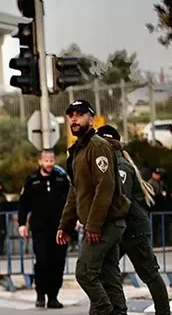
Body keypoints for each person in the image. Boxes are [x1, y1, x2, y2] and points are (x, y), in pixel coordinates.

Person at [56, 100, 130, 315]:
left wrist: (94, 225)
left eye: (80, 114)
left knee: (85, 272)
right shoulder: (78, 151)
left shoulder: (97, 146)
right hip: (99, 223)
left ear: (91, 118)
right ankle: (117, 312)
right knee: (109, 275)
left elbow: (105, 187)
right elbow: (75, 191)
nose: (74, 119)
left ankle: (104, 309)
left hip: (106, 223)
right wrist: (65, 224)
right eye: (71, 115)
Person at [96, 125, 170, 315]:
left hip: (132, 230)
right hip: (119, 229)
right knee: (105, 272)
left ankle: (164, 312)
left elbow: (120, 201)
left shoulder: (121, 166)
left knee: (149, 273)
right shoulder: (109, 165)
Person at [17, 149, 70, 308]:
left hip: (59, 229)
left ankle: (53, 296)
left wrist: (74, 220)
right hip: (39, 229)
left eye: (51, 161)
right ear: (40, 162)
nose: (49, 164)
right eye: (46, 161)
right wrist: (22, 224)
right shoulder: (32, 181)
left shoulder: (61, 179)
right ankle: (40, 293)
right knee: (42, 261)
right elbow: (23, 204)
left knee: (58, 262)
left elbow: (72, 201)